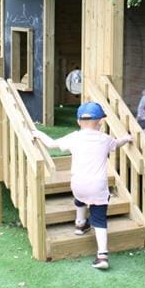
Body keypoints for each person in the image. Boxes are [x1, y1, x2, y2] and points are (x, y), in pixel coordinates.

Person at [33, 102, 132, 270]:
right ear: (101, 121)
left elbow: (51, 144)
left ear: (79, 121)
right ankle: (102, 256)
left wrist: (37, 133)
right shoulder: (105, 139)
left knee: (80, 198)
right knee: (99, 219)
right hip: (98, 186)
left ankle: (80, 223)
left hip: (78, 184)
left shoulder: (74, 137)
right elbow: (116, 144)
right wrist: (127, 138)